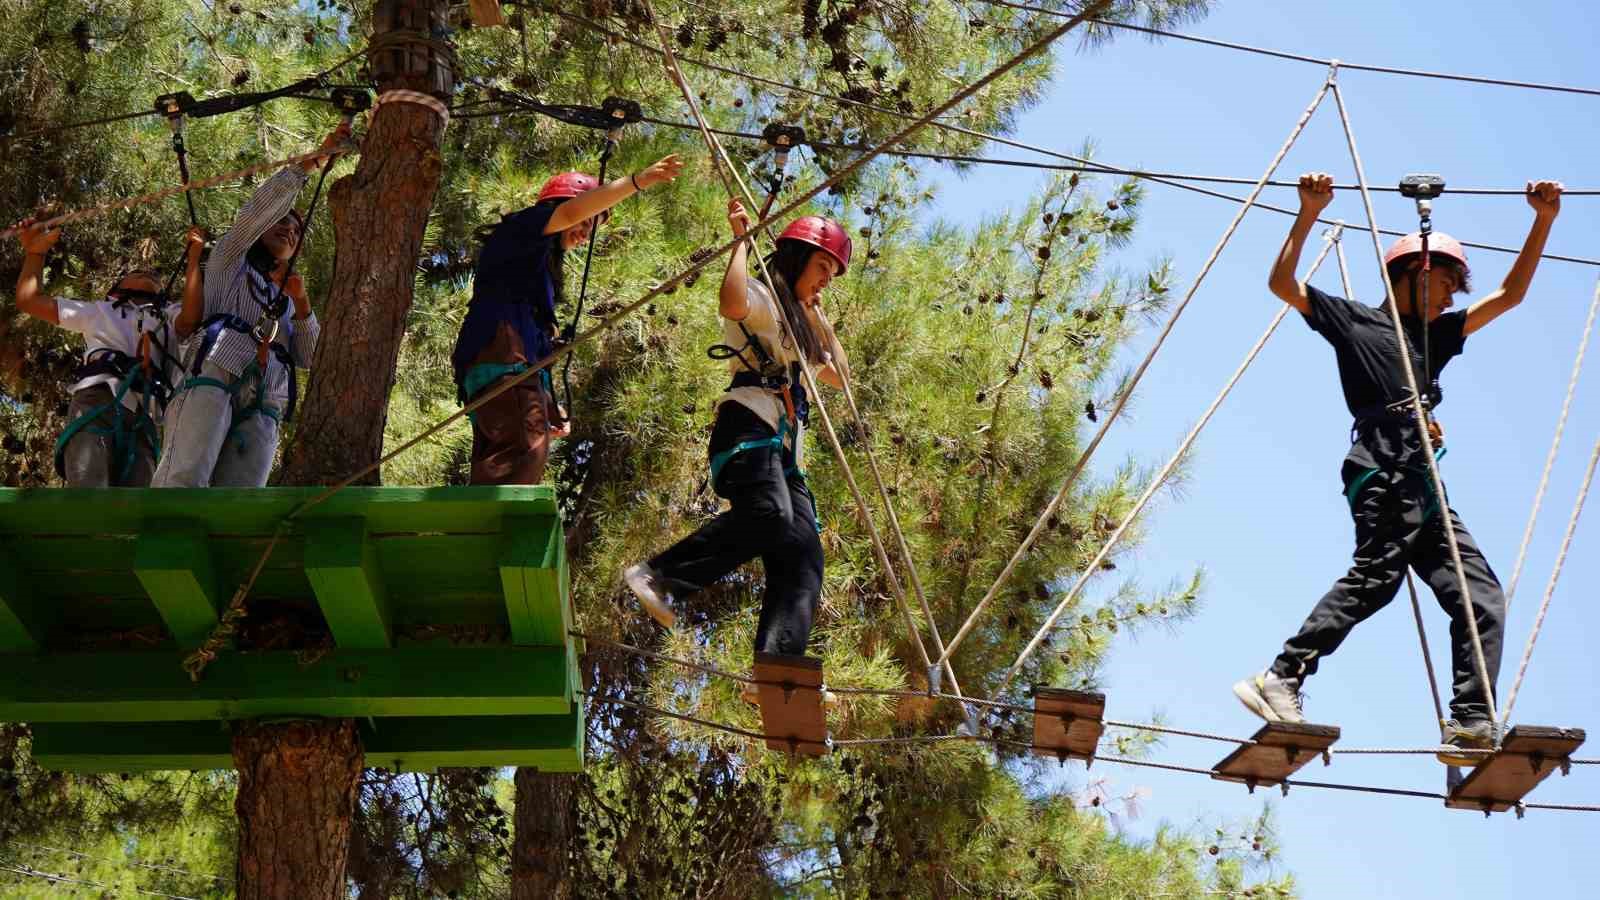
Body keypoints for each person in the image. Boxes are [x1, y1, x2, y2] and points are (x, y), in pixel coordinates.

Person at [1235, 172, 1564, 765]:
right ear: (1409, 276)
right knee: (1377, 578)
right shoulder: (1356, 324)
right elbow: (1282, 283)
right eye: (1441, 285)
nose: (1448, 299)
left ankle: (1470, 721)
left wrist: (1543, 222)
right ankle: (1279, 676)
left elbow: (1510, 296)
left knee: (1479, 595)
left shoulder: (1437, 337)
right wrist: (1309, 211)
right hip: (1385, 468)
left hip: (1424, 484)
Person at [624, 198, 852, 676]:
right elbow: (730, 301)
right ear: (795, 258)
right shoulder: (764, 301)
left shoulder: (799, 328)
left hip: (785, 451)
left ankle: (776, 668)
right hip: (749, 426)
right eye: (822, 266)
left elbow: (840, 377)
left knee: (804, 557)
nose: (827, 277)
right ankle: (660, 576)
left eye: (833, 272)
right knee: (769, 515)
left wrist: (819, 315)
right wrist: (741, 242)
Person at [450, 154, 683, 485]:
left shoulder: (536, 269)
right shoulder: (525, 228)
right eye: (587, 221)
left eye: (592, 226)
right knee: (525, 451)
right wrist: (638, 181)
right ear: (558, 206)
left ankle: (475, 529)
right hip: (502, 363)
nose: (585, 233)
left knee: (506, 458)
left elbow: (533, 353)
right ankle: (494, 531)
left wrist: (548, 404)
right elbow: (572, 211)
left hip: (499, 369)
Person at [150, 122, 349, 488]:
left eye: (296, 229)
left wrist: (302, 304)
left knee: (242, 496)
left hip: (267, 393)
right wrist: (308, 165)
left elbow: (311, 358)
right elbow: (252, 214)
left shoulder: (287, 301)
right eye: (282, 221)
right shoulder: (229, 258)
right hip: (216, 367)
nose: (290, 229)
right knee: (187, 475)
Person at [12, 221, 199, 487]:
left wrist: (193, 259)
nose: (147, 273)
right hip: (98, 399)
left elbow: (191, 318)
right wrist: (35, 254)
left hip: (144, 414)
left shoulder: (169, 316)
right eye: (137, 271)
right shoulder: (99, 311)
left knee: (133, 507)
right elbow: (29, 300)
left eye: (155, 277)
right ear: (115, 290)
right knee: (89, 490)